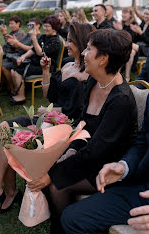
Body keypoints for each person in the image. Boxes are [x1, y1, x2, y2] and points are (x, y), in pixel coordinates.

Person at [0, 22, 95, 217]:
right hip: (49, 117)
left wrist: (52, 112)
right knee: (4, 127)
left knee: (10, 134)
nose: (67, 44)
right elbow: (49, 94)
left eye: (70, 40)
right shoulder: (68, 63)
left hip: (63, 127)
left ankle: (8, 193)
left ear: (82, 42)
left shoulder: (89, 73)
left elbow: (79, 111)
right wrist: (46, 71)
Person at [28, 29, 138, 234]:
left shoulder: (120, 100)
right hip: (88, 156)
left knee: (57, 185)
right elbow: (81, 125)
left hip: (108, 168)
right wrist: (70, 149)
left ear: (103, 58)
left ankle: (62, 228)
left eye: (89, 48)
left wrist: (53, 174)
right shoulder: (94, 82)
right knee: (44, 160)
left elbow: (97, 150)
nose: (83, 53)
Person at [61, 95, 149, 234]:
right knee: (73, 217)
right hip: (140, 183)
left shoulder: (121, 99)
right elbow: (143, 141)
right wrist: (123, 166)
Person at [10, 15, 61, 105]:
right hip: (36, 63)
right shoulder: (44, 37)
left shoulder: (55, 41)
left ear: (54, 27)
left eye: (47, 26)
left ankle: (21, 96)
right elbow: (33, 49)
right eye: (44, 26)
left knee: (17, 71)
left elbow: (39, 53)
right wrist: (23, 56)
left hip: (46, 67)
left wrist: (33, 38)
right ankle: (18, 92)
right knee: (14, 69)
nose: (44, 28)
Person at [1, 17, 41, 95]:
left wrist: (17, 43)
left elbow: (32, 49)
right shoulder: (29, 35)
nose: (29, 27)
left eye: (31, 25)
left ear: (38, 25)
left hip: (27, 60)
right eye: (28, 25)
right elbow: (20, 46)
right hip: (19, 56)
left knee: (4, 66)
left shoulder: (39, 36)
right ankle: (11, 88)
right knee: (2, 63)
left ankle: (13, 89)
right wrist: (14, 41)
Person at [113, 7, 138, 82]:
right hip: (124, 47)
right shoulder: (121, 23)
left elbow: (130, 39)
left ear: (130, 15)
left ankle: (127, 77)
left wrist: (120, 30)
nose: (123, 15)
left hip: (134, 47)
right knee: (126, 51)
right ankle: (117, 73)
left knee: (131, 52)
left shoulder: (133, 24)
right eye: (122, 13)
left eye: (125, 13)